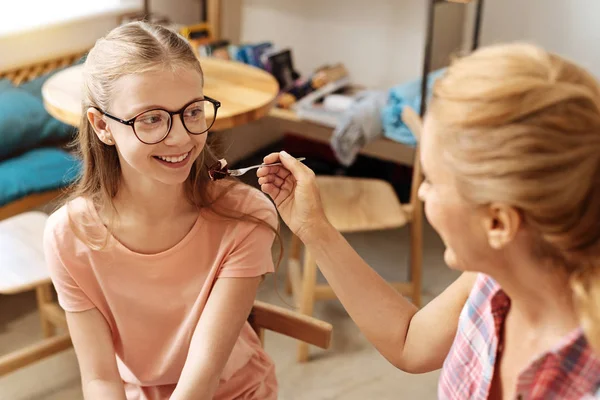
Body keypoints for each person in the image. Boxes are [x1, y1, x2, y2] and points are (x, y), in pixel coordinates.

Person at [257, 43, 600, 399]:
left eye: (432, 182)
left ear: (498, 223)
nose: (421, 194)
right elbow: (409, 340)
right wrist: (314, 228)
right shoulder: (493, 280)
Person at [43, 22, 279, 400]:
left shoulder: (244, 216)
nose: (181, 137)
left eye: (193, 112)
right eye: (151, 118)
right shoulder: (68, 236)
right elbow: (101, 379)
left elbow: (203, 374)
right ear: (102, 126)